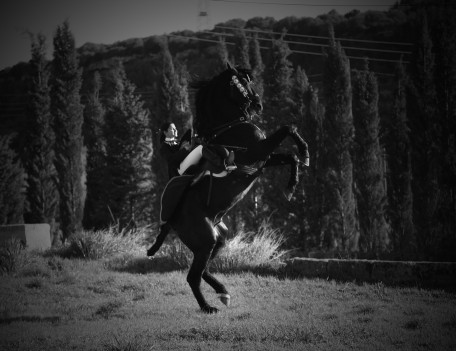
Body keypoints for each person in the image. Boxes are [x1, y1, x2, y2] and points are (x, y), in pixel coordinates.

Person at [159, 121, 236, 179]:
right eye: (173, 129)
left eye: (175, 128)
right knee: (200, 148)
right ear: (165, 132)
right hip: (179, 170)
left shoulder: (178, 142)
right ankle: (223, 164)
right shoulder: (163, 147)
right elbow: (171, 160)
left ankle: (224, 158)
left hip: (185, 162)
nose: (176, 130)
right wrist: (184, 149)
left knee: (204, 145)